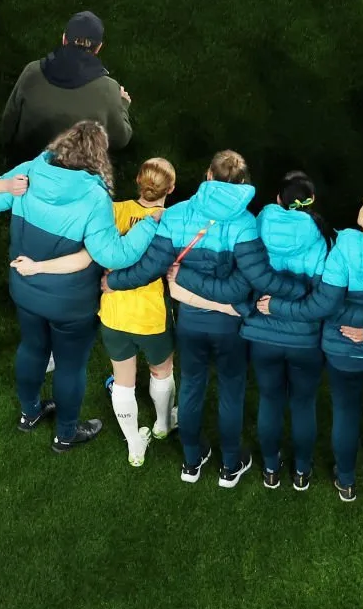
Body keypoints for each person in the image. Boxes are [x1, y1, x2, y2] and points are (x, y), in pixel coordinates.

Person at [0, 123, 159, 453]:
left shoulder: (32, 169)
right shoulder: (94, 197)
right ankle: (65, 434)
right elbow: (113, 255)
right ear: (98, 157)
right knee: (69, 365)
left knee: (33, 347)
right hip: (72, 305)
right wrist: (149, 226)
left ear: (62, 144)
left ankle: (30, 413)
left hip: (24, 289)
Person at [103, 151, 260, 487]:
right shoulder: (248, 224)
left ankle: (191, 462)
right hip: (229, 325)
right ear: (242, 183)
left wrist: (113, 282)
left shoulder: (176, 215)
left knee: (191, 388)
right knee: (231, 391)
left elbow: (149, 268)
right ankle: (230, 466)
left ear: (207, 175)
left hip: (190, 323)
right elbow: (242, 285)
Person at [258, 187, 363, 502]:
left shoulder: (343, 249)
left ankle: (346, 481)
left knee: (345, 414)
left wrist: (277, 307)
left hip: (344, 352)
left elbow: (325, 306)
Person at [232, 171, 331, 490]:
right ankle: (302, 471)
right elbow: (319, 293)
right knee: (303, 403)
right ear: (312, 202)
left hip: (263, 335)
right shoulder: (323, 235)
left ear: (278, 199)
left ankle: (271, 469)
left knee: (270, 400)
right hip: (305, 338)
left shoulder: (259, 223)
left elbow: (245, 273)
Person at [91, 157, 179, 465]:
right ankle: (163, 425)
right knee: (162, 370)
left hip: (114, 314)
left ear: (138, 181)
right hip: (151, 315)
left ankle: (134, 447)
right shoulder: (170, 221)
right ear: (171, 187)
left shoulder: (112, 210)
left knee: (123, 381)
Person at [0, 11, 132, 165]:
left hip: (26, 167)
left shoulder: (32, 71)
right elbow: (121, 139)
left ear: (64, 39)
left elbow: (8, 123)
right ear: (98, 47)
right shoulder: (109, 89)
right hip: (74, 176)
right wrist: (122, 104)